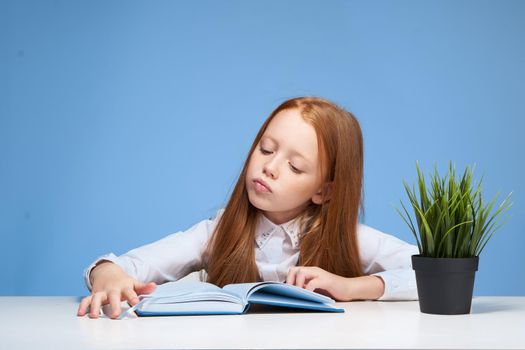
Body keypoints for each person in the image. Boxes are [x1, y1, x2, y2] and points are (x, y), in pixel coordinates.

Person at [77, 96, 419, 319]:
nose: (269, 167)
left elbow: (433, 273)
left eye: (295, 167)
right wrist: (107, 274)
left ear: (324, 191)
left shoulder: (349, 238)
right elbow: (124, 265)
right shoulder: (219, 231)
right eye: (266, 149)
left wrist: (351, 287)